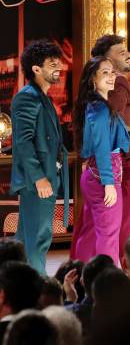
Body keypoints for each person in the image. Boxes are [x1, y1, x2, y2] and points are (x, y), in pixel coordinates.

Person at [71, 35, 130, 262]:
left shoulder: (98, 105)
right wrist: (109, 182)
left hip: (102, 172)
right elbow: (103, 148)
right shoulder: (101, 108)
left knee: (96, 230)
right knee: (109, 233)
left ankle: (84, 273)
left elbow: (119, 135)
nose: (112, 76)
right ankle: (109, 281)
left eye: (112, 73)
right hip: (105, 173)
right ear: (93, 79)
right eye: (106, 72)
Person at [10, 40, 69, 274]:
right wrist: (39, 178)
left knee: (25, 239)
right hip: (38, 182)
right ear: (36, 69)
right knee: (39, 238)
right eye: (52, 64)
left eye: (59, 62)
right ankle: (38, 286)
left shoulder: (42, 97)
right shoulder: (27, 97)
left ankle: (17, 284)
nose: (59, 67)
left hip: (44, 178)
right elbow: (23, 142)